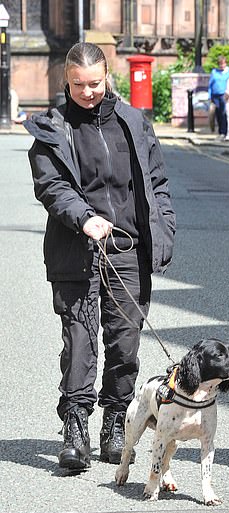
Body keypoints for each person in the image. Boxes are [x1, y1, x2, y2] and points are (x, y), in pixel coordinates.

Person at [25, 42, 176, 471]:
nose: (87, 92)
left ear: (108, 77)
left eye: (94, 83)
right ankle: (75, 427)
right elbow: (51, 186)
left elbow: (157, 181)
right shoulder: (52, 129)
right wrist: (84, 217)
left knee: (125, 342)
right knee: (79, 341)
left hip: (127, 250)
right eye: (78, 85)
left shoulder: (132, 121)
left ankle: (115, 422)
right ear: (66, 81)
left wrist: (165, 229)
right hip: (76, 247)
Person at [207, 55, 229, 139]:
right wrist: (209, 96)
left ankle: (224, 132)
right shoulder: (214, 72)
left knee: (223, 113)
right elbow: (210, 85)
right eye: (220, 64)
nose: (222, 65)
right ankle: (220, 131)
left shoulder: (228, 73)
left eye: (223, 64)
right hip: (215, 96)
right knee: (217, 114)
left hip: (223, 95)